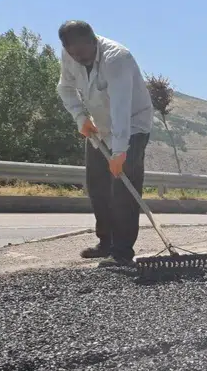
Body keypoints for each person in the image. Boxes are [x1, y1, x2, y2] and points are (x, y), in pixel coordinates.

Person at [56, 20, 154, 267]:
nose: (81, 59)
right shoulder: (70, 56)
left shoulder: (116, 59)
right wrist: (81, 118)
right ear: (67, 49)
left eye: (85, 53)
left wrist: (120, 152)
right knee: (97, 184)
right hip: (100, 128)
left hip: (131, 127)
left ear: (94, 41)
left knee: (123, 190)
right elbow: (65, 88)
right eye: (74, 54)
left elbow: (121, 107)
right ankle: (106, 243)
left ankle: (122, 252)